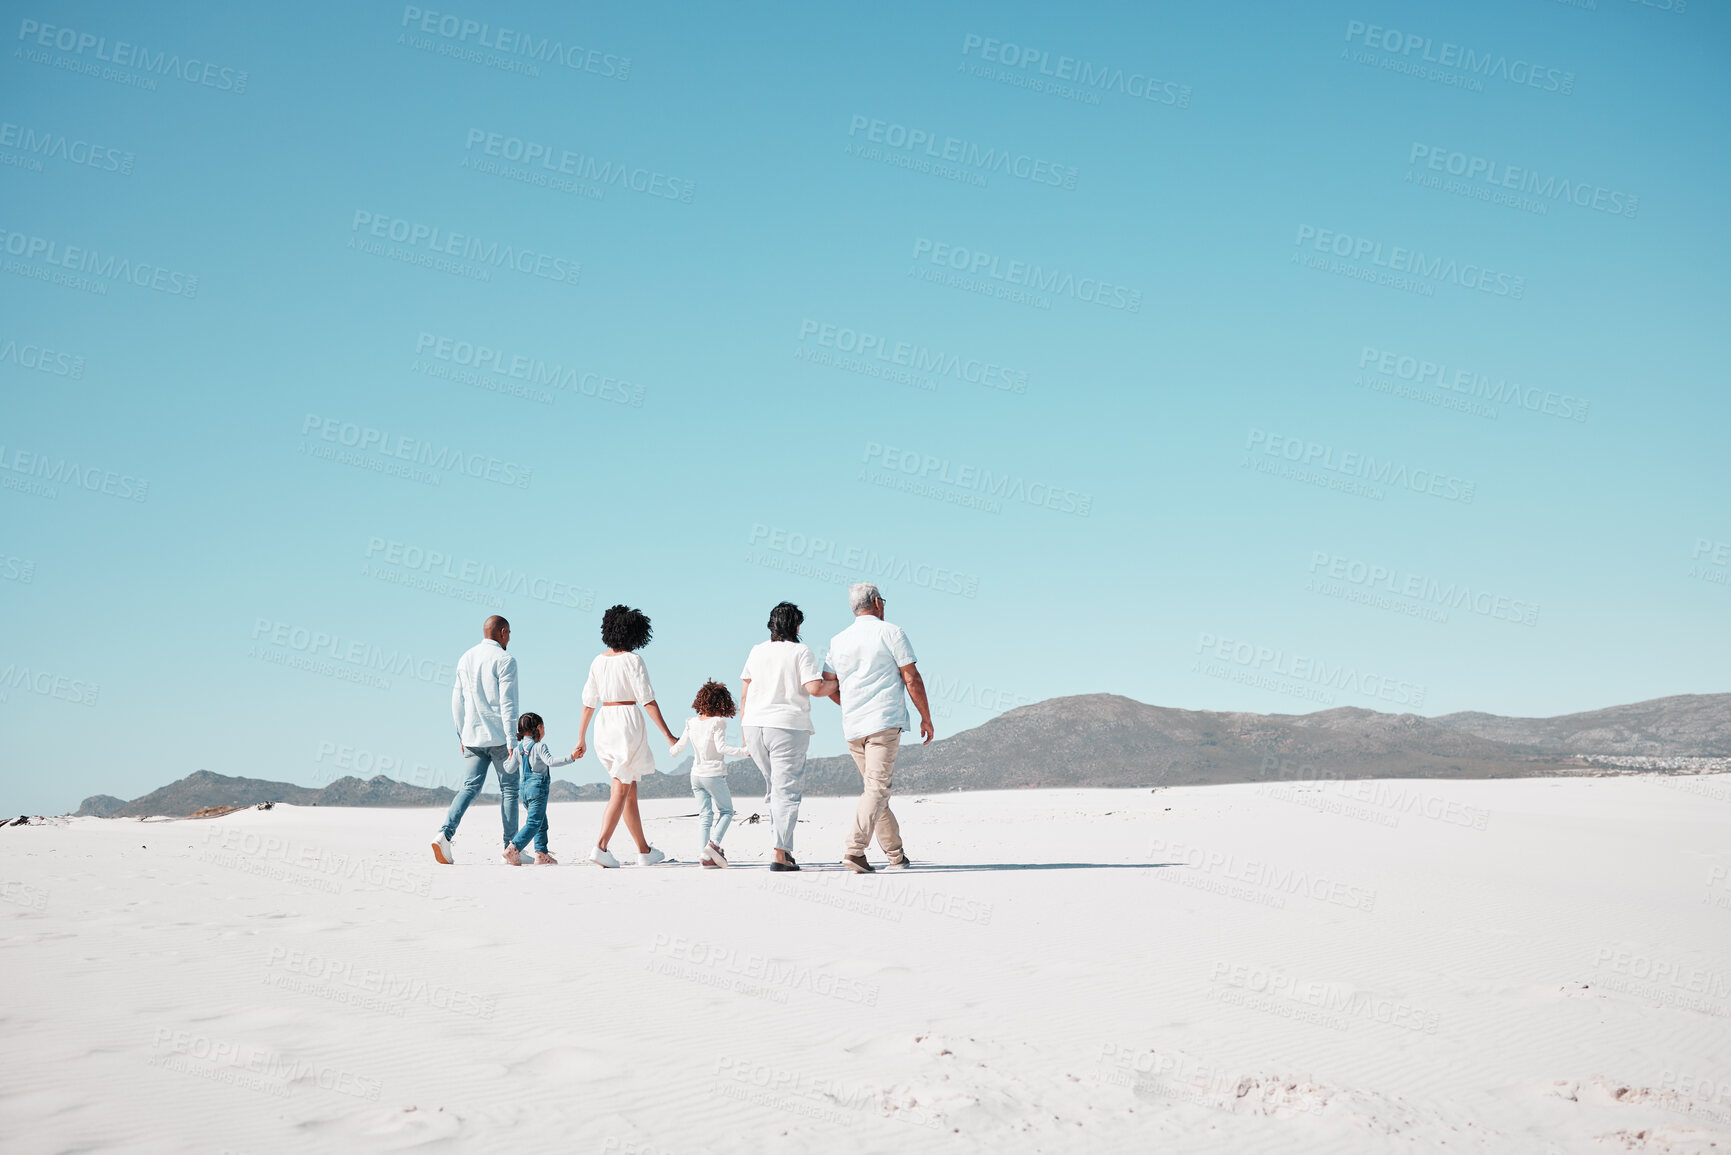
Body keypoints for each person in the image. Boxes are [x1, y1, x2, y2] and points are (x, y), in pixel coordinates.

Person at [823, 583, 933, 873]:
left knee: (875, 791)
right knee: (877, 789)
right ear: (876, 603)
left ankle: (896, 856)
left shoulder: (838, 640)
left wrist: (847, 705)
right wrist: (926, 717)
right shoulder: (892, 632)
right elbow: (912, 678)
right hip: (883, 722)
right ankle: (854, 849)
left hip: (853, 726)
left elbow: (827, 683)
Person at [573, 605, 676, 868]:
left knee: (628, 787)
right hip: (626, 721)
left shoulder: (598, 661)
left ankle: (643, 850)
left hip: (604, 721)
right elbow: (647, 700)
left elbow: (588, 702)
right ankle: (600, 847)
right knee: (621, 786)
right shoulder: (633, 660)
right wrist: (668, 735)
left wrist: (581, 738)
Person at [740, 602, 836, 872]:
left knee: (774, 791)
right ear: (796, 626)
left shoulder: (756, 651)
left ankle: (785, 849)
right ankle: (779, 853)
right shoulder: (800, 651)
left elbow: (745, 693)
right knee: (787, 791)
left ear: (771, 625)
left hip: (753, 726)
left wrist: (745, 734)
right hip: (786, 727)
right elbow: (815, 688)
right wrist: (838, 684)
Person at [433, 615, 520, 865]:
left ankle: (444, 835)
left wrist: (461, 732)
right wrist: (512, 740)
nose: (510, 638)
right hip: (499, 737)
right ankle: (510, 847)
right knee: (510, 790)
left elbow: (456, 700)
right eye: (510, 633)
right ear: (502, 632)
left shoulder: (466, 657)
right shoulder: (505, 660)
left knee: (469, 787)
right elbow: (508, 703)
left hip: (471, 736)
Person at [669, 680, 748, 868]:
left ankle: (704, 856)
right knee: (727, 811)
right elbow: (721, 747)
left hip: (695, 775)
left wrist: (670, 748)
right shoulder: (718, 722)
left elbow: (677, 749)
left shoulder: (691, 722)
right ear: (723, 703)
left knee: (705, 815)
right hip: (712, 774)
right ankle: (713, 845)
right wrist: (745, 751)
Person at [503, 712, 572, 865]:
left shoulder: (517, 749)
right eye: (543, 727)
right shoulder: (540, 746)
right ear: (539, 727)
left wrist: (508, 759)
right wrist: (571, 757)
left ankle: (541, 853)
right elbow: (551, 761)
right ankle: (514, 848)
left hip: (525, 790)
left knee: (541, 821)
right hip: (538, 789)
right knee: (534, 822)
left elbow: (508, 769)